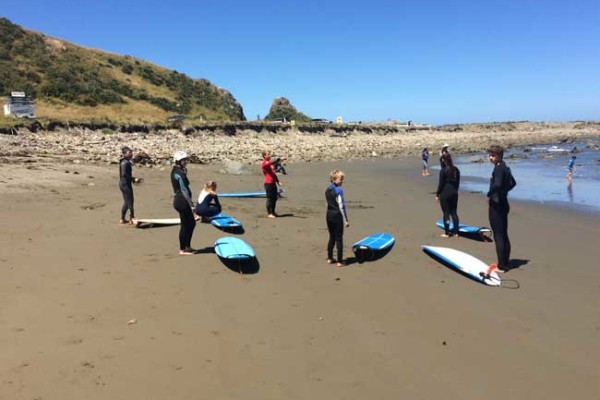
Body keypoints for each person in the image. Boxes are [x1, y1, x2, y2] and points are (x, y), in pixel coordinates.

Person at [486, 145, 516, 274]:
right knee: (503, 233)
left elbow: (497, 184)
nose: (490, 158)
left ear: (499, 156)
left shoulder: (499, 168)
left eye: (492, 156)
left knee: (498, 235)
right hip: (504, 202)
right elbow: (512, 183)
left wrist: (490, 193)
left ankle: (501, 266)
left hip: (497, 205)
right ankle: (506, 262)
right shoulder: (505, 167)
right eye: (489, 155)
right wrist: (504, 192)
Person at [171, 151, 197, 255]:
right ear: (178, 161)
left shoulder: (178, 170)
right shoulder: (179, 173)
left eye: (186, 159)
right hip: (182, 201)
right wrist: (191, 205)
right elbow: (184, 190)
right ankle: (182, 249)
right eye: (184, 160)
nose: (186, 161)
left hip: (181, 200)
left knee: (191, 223)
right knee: (185, 225)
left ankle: (187, 246)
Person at [325, 169, 350, 267]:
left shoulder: (327, 189)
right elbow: (341, 206)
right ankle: (340, 261)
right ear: (334, 179)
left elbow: (327, 203)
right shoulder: (338, 190)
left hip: (329, 214)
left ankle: (330, 258)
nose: (342, 181)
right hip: (336, 215)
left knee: (332, 237)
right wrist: (345, 220)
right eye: (341, 179)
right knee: (339, 238)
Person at [436, 154, 460, 237]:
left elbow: (441, 184)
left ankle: (447, 233)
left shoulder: (443, 170)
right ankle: (456, 232)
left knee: (446, 213)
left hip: (445, 193)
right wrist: (455, 191)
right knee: (454, 212)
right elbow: (457, 183)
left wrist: (437, 194)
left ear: (443, 161)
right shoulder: (456, 170)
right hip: (454, 193)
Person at [118, 146, 140, 225]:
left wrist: (132, 179)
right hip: (125, 184)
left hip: (124, 183)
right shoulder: (125, 163)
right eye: (129, 153)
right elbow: (124, 174)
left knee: (128, 201)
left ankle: (124, 218)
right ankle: (131, 217)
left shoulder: (125, 161)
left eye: (131, 152)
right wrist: (133, 179)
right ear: (124, 154)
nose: (131, 154)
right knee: (129, 201)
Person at [261, 150, 285, 218]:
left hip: (273, 183)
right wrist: (279, 159)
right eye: (268, 154)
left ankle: (273, 212)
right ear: (264, 156)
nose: (269, 155)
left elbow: (273, 174)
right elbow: (271, 162)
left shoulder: (270, 164)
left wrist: (278, 181)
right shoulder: (264, 163)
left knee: (275, 198)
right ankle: (269, 213)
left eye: (269, 154)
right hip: (268, 184)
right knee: (270, 198)